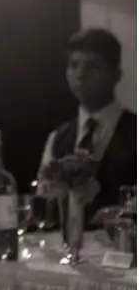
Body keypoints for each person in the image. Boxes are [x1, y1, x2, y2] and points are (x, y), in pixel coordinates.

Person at [38, 28, 136, 217]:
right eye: (74, 65)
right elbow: (44, 201)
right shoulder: (58, 138)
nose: (80, 75)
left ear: (116, 75)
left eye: (92, 66)